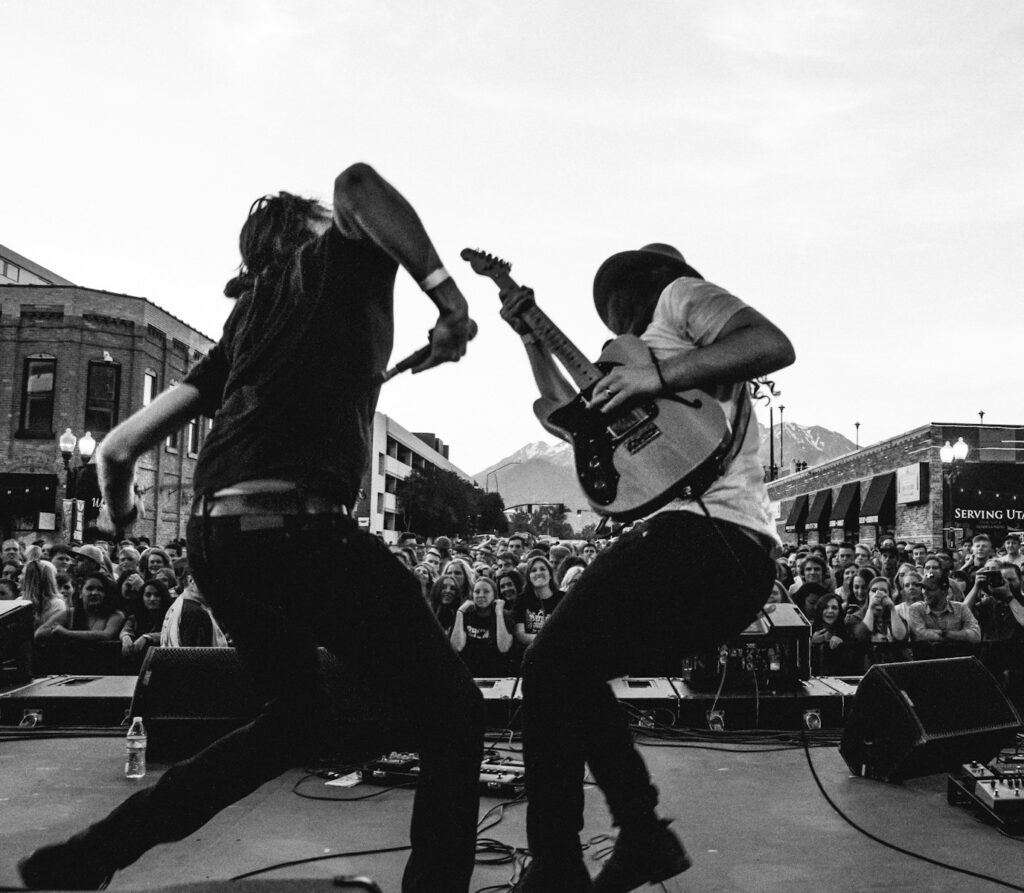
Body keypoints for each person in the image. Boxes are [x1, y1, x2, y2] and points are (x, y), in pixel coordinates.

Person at [19, 164, 483, 893]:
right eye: (330, 223)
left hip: (219, 539)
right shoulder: (333, 257)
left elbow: (115, 450)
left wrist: (124, 517)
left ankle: (89, 853)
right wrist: (449, 300)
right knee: (455, 712)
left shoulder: (246, 323)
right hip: (298, 527)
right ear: (312, 231)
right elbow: (358, 181)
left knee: (293, 721)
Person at [498, 242, 793, 891]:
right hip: (728, 562)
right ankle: (641, 837)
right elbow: (567, 419)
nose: (611, 321)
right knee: (568, 670)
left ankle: (562, 863)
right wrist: (530, 335)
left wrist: (657, 376)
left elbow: (770, 341)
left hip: (711, 538)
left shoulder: (680, 298)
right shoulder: (639, 362)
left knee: (550, 662)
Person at [450, 576, 513, 677]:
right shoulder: (464, 614)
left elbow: (504, 648)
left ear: (494, 595)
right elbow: (457, 647)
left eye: (486, 591)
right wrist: (460, 612)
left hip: (497, 674)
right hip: (470, 674)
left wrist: (499, 613)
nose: (481, 595)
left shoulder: (505, 615)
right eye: (477, 592)